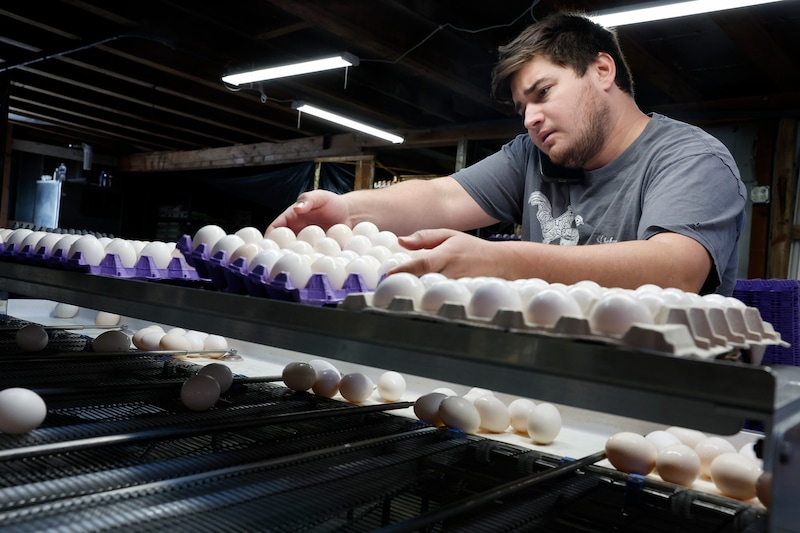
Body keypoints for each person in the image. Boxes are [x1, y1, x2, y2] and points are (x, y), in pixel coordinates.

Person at [268, 12, 746, 296]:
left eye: (543, 93)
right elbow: (442, 199)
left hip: (657, 402)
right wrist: (345, 209)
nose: (530, 118)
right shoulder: (531, 157)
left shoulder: (689, 159)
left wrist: (505, 259)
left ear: (602, 71)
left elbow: (674, 269)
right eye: (522, 107)